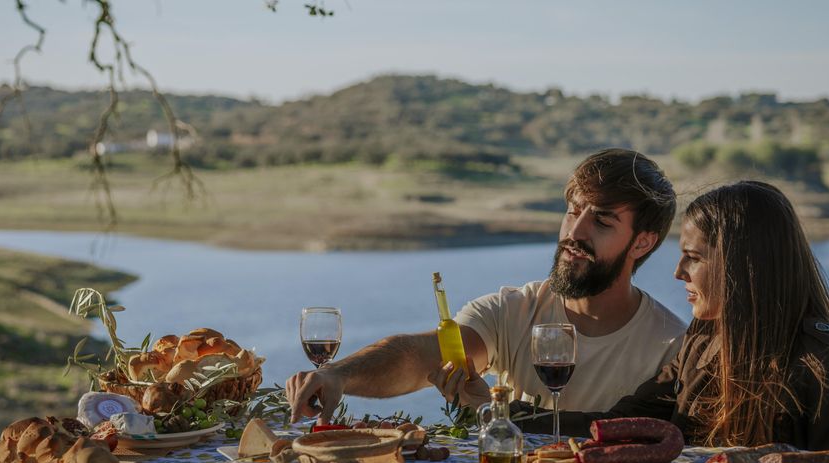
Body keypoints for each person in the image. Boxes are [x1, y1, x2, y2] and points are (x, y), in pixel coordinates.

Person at [287, 148, 687, 422]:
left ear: (643, 242)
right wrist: (339, 375)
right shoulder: (511, 310)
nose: (574, 232)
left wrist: (493, 414)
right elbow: (418, 357)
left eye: (602, 221)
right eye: (572, 212)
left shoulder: (671, 345)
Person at [495, 180, 829, 450]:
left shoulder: (827, 366)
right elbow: (626, 425)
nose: (678, 272)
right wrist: (506, 417)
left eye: (693, 258)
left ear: (743, 266)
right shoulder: (702, 338)